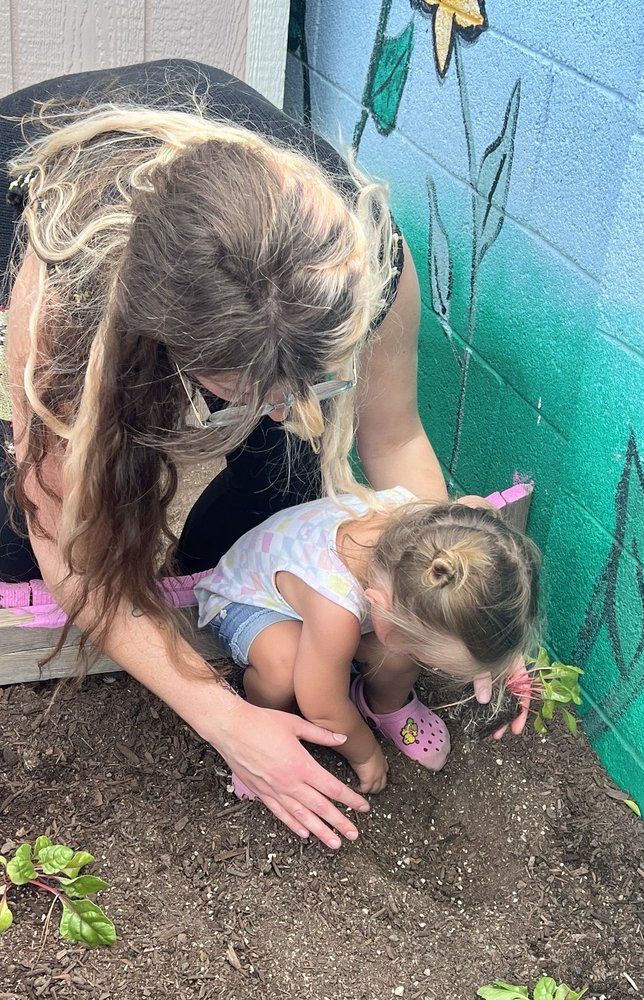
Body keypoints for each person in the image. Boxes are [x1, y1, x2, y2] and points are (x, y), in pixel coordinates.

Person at [0, 60, 526, 849]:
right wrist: (225, 719)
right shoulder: (66, 297)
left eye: (310, 377)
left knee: (293, 468)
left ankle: (218, 567)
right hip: (43, 205)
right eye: (246, 389)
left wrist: (451, 596)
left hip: (246, 272)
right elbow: (66, 547)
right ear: (164, 342)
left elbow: (392, 435)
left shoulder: (364, 254)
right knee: (23, 546)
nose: (284, 409)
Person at [194, 490, 541, 796]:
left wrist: (492, 647)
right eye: (430, 657)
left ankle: (385, 705)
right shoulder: (337, 612)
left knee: (397, 653)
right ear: (379, 605)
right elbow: (321, 704)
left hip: (320, 598)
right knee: (284, 671)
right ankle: (261, 725)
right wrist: (365, 753)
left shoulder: (452, 531)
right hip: (250, 597)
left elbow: (479, 510)